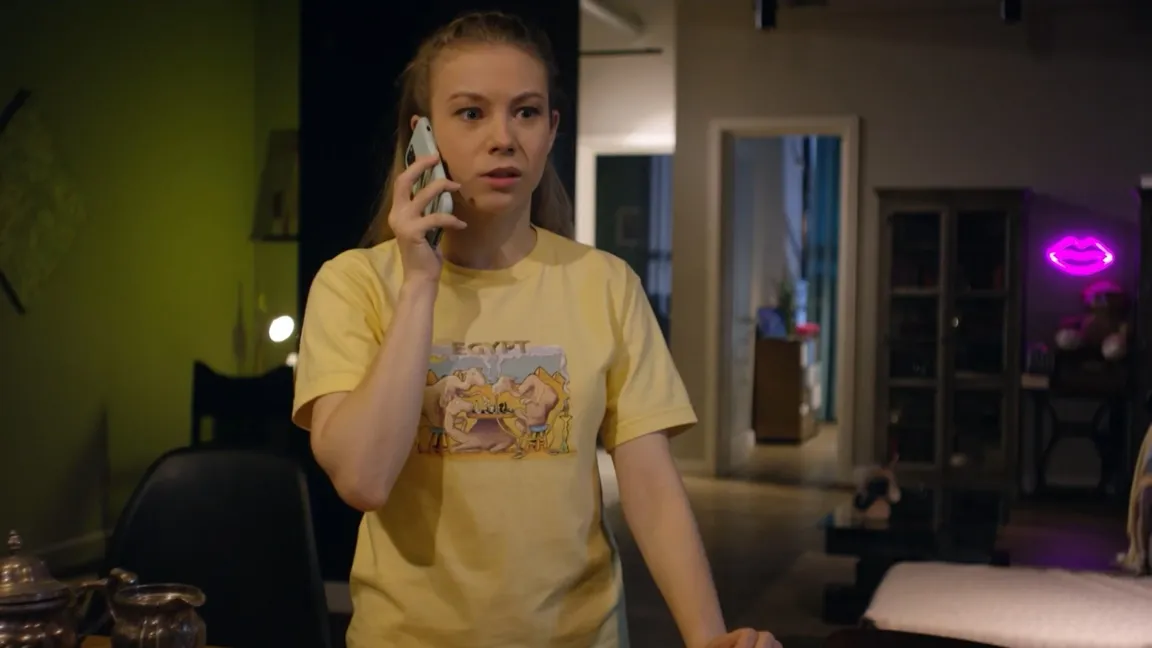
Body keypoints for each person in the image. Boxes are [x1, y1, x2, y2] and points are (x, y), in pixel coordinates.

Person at [292, 11, 780, 648]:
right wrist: (419, 285)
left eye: (525, 112)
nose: (503, 137)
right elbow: (363, 478)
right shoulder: (354, 284)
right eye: (471, 113)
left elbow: (651, 487)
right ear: (422, 137)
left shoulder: (605, 284)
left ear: (550, 131)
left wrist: (709, 637)